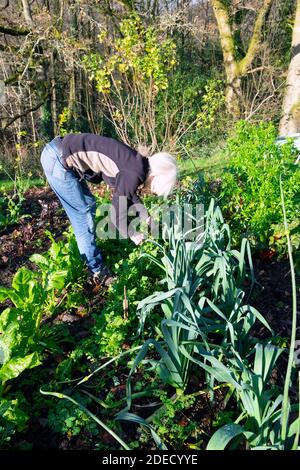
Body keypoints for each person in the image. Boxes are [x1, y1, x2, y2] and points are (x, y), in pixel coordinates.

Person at [40, 133, 178, 285]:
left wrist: (146, 217)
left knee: (88, 205)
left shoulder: (136, 163)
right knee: (82, 216)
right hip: (58, 159)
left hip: (58, 152)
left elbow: (128, 193)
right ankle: (97, 270)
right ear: (157, 176)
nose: (153, 191)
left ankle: (92, 259)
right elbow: (116, 215)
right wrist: (132, 234)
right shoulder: (133, 173)